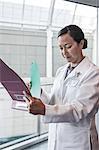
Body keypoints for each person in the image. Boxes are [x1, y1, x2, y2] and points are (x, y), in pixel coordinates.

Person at [24, 25, 99, 150]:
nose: (64, 53)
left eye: (68, 47)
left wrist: (44, 110)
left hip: (79, 142)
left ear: (81, 43)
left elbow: (79, 109)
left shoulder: (93, 73)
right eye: (60, 48)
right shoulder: (61, 71)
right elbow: (54, 102)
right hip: (56, 140)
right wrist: (39, 92)